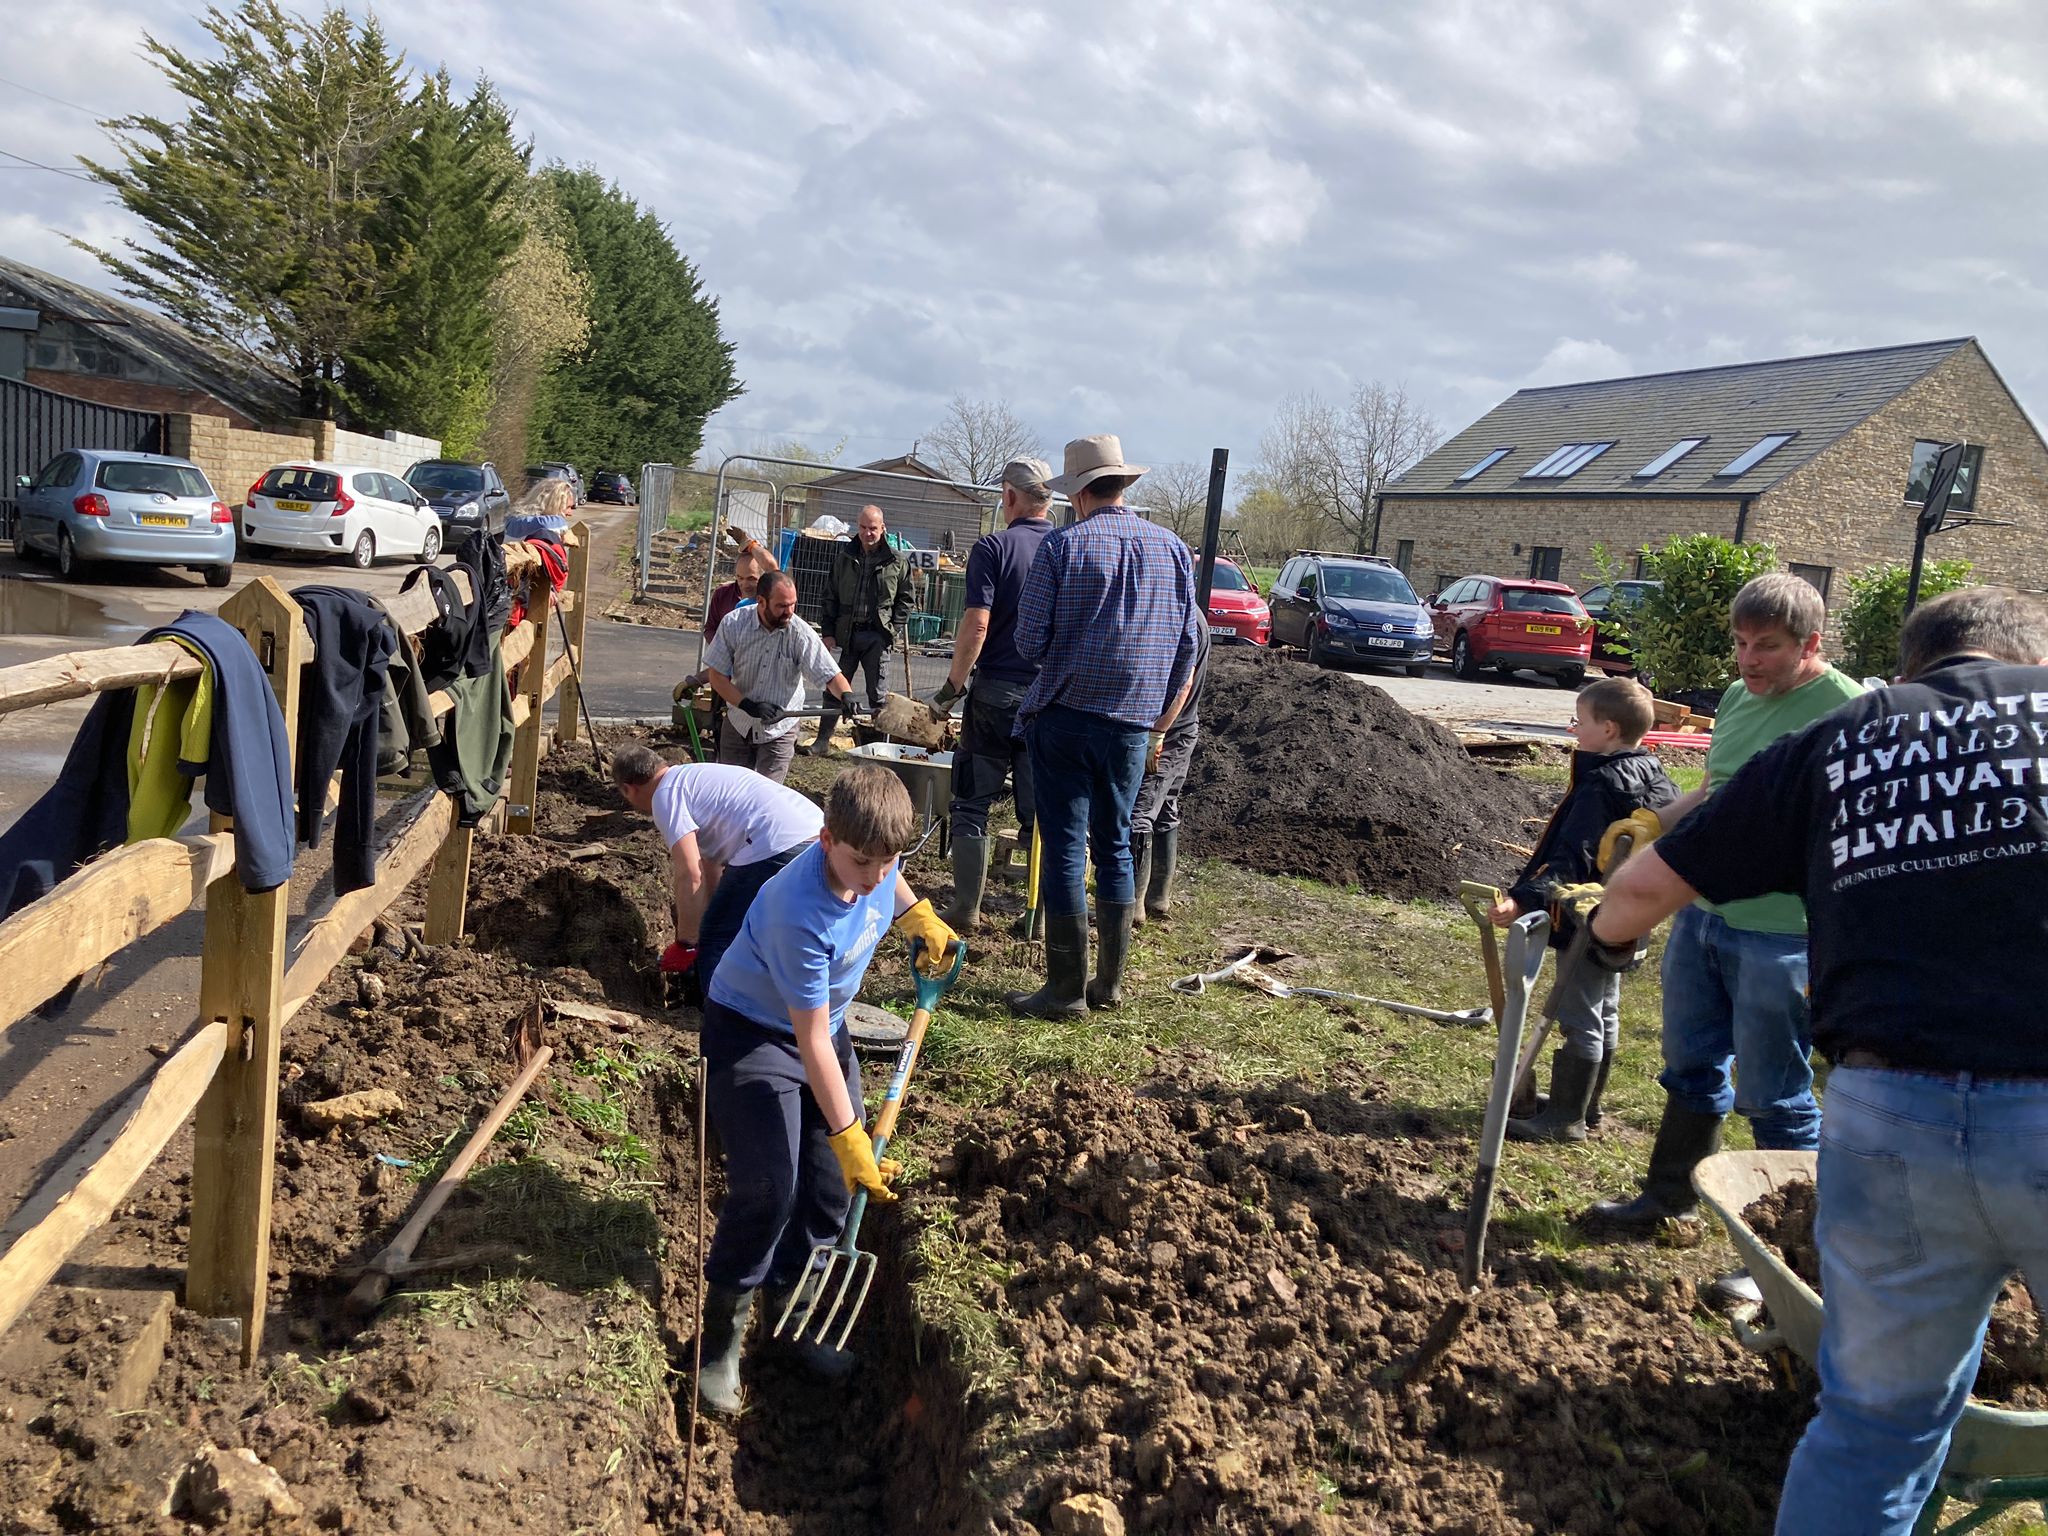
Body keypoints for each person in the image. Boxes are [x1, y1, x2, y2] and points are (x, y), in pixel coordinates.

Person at [1582, 586, 2048, 1536]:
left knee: (1874, 1427)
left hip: (1887, 1112)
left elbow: (1635, 892)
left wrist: (1602, 941)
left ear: (1915, 667)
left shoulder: (1851, 732)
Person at [1588, 573, 1864, 1230]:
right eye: (1740, 643)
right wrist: (1658, 824)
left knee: (1775, 1093)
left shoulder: (1846, 711)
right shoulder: (1740, 697)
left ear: (1811, 643)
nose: (1747, 660)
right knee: (1689, 1065)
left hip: (1781, 934)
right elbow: (1717, 792)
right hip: (1704, 916)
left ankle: (1791, 1244)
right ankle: (1668, 1203)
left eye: (1766, 646)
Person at [690, 765, 962, 1414]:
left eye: (887, 861)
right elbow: (807, 1044)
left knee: (828, 1188)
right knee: (767, 1188)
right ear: (824, 839)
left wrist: (919, 917)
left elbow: (889, 880)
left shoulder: (876, 864)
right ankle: (719, 1343)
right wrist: (850, 1137)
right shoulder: (795, 910)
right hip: (754, 1035)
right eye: (860, 861)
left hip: (825, 1030)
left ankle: (793, 1305)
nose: (873, 876)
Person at [1005, 435, 1201, 1018]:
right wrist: (1157, 715)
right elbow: (1188, 644)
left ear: (1078, 493)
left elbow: (1029, 640)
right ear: (1121, 486)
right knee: (1115, 843)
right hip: (1133, 726)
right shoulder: (1170, 549)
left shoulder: (1064, 547)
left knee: (1066, 844)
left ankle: (1066, 988)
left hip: (1066, 717)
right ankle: (1110, 985)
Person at [1486, 677, 1678, 1143]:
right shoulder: (1651, 770)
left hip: (1587, 915)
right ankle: (1586, 1106)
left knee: (1579, 1013)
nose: (1575, 730)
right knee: (1605, 1009)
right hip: (1630, 912)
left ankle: (1566, 1119)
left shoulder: (1600, 784)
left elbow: (1573, 853)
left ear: (1608, 729)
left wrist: (1525, 899)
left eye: (1581, 721)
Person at [935, 457, 1056, 928]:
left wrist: (951, 688)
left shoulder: (994, 548)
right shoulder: (1067, 548)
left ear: (1009, 496)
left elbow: (977, 624)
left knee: (971, 801)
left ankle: (966, 908)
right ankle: (1038, 917)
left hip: (995, 696)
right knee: (1039, 814)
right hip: (1046, 701)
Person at [608, 743, 824, 997]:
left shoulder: (665, 796)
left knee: (718, 938)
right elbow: (710, 868)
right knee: (769, 929)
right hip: (816, 836)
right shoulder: (695, 777)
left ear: (628, 788)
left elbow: (690, 872)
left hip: (775, 845)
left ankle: (717, 1013)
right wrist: (707, 917)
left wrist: (687, 943)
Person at [702, 570, 862, 784]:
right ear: (761, 602)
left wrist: (846, 696)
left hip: (779, 729)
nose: (789, 612)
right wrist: (747, 704)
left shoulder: (800, 633)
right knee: (730, 791)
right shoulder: (734, 624)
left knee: (768, 795)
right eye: (781, 606)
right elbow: (717, 675)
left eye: (793, 604)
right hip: (739, 722)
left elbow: (830, 675)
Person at [808, 504, 914, 756]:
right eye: (864, 528)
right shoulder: (845, 557)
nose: (868, 533)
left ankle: (880, 749)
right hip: (846, 634)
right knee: (834, 687)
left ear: (883, 528)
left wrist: (892, 630)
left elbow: (906, 600)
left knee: (877, 695)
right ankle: (822, 742)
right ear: (858, 527)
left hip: (877, 637)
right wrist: (828, 631)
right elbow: (829, 596)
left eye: (873, 528)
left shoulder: (897, 561)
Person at [1130, 612, 1210, 927]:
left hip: (1169, 734)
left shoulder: (1187, 620)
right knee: (1165, 809)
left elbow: (1183, 685)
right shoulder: (1190, 615)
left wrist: (1157, 732)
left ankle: (1132, 906)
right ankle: (1158, 896)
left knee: (1140, 814)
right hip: (1180, 729)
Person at [674, 530, 781, 706]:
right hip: (725, 683)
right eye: (739, 578)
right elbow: (713, 633)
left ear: (763, 578)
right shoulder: (724, 595)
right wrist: (721, 646)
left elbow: (772, 567)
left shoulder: (769, 603)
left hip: (758, 689)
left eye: (751, 579)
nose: (744, 584)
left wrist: (751, 545)